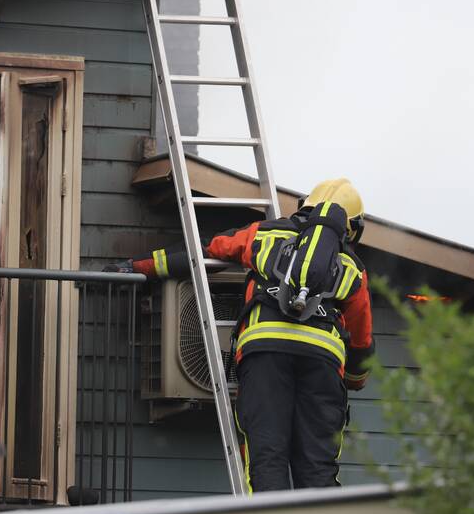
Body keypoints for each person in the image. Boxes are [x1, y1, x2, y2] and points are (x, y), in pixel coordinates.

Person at [108, 178, 374, 492]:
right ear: (351, 227)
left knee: (267, 458)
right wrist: (355, 378)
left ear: (305, 207)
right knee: (318, 469)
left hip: (264, 356)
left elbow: (203, 252)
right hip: (323, 366)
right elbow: (361, 340)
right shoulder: (351, 267)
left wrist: (138, 267)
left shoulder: (266, 234)